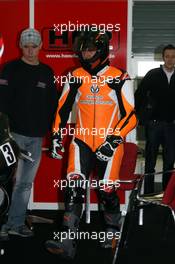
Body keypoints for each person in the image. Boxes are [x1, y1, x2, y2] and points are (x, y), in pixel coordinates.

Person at [45, 28, 137, 259]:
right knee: (74, 187)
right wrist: (56, 135)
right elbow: (62, 109)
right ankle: (67, 239)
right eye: (83, 50)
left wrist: (114, 140)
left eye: (90, 49)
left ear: (102, 49)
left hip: (110, 143)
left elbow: (131, 116)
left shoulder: (120, 76)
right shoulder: (75, 75)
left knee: (107, 191)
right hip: (81, 140)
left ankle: (112, 230)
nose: (85, 54)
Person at [0, 28, 58, 239]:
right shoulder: (10, 69)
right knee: (4, 182)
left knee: (24, 184)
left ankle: (14, 224)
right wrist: (4, 135)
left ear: (41, 46)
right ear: (20, 46)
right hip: (12, 136)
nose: (31, 50)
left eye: (34, 46)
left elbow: (53, 106)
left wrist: (52, 135)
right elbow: (2, 104)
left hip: (35, 138)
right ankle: (4, 225)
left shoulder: (46, 72)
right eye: (26, 46)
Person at [135, 44, 175, 194]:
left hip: (172, 126)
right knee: (150, 161)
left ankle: (167, 194)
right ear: (163, 57)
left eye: (173, 56)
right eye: (168, 56)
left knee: (169, 163)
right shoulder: (152, 74)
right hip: (154, 125)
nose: (170, 59)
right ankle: (149, 193)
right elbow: (139, 95)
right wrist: (140, 117)